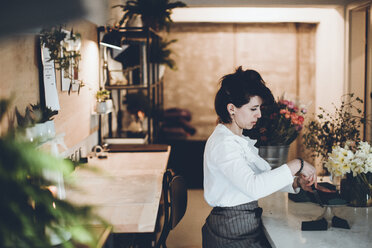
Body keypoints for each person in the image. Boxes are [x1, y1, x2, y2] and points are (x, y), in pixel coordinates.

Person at [202, 67, 317, 248]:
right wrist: (297, 164)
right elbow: (254, 187)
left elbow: (263, 175)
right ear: (231, 109)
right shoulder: (224, 144)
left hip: (242, 225)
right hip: (231, 231)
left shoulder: (237, 139)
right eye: (253, 108)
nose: (259, 114)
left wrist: (295, 183)